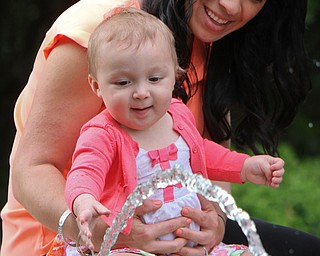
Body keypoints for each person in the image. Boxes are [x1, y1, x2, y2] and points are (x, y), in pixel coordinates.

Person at [1, 0, 319, 255]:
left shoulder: (212, 39)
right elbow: (33, 169)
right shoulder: (98, 33)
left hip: (174, 233)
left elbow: (206, 158)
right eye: (126, 83)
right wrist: (96, 231)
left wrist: (216, 223)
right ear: (98, 86)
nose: (232, 7)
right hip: (67, 237)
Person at [60, 8, 284, 255]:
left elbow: (204, 152)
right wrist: (83, 200)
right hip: (129, 246)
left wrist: (244, 167)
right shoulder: (102, 133)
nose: (141, 92)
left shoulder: (178, 115)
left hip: (187, 241)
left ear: (175, 77)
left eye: (154, 79)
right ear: (97, 86)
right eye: (124, 82)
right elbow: (85, 171)